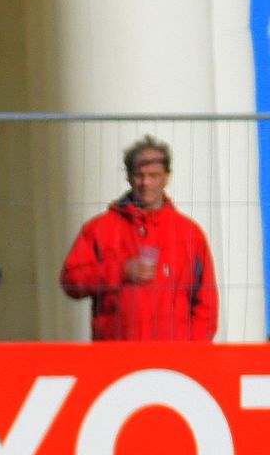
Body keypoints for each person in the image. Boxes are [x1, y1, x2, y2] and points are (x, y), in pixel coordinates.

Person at [60, 136, 219, 341]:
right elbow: (71, 281)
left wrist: (193, 350)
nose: (146, 182)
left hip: (174, 356)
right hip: (116, 354)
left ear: (166, 177)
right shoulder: (99, 229)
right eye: (139, 175)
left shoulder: (189, 233)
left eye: (154, 175)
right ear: (128, 177)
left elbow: (206, 302)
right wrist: (119, 271)